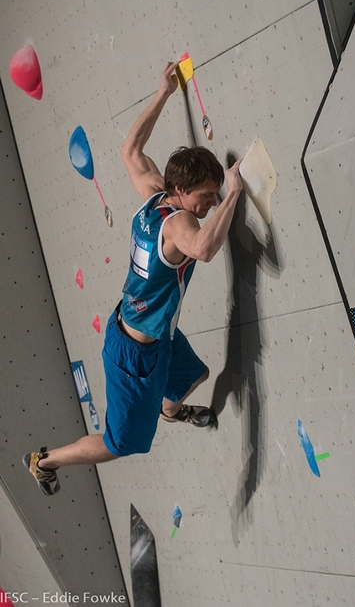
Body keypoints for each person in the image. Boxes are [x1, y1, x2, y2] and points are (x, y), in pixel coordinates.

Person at [23, 61, 243, 495]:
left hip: (146, 330)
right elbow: (204, 248)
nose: (210, 203)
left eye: (215, 195)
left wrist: (163, 91)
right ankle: (44, 460)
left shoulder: (155, 194)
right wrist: (235, 195)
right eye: (205, 197)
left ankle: (169, 410)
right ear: (181, 192)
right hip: (135, 361)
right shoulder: (181, 225)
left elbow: (129, 148)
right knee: (119, 443)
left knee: (192, 376)